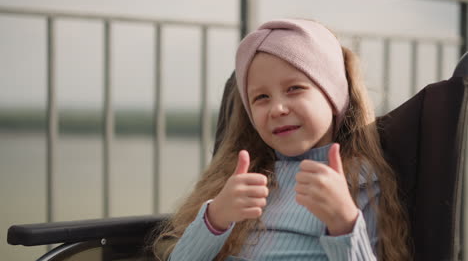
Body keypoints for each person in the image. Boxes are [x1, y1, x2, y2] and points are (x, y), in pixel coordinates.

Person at [152, 18, 411, 261]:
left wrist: (344, 222)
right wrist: (216, 217)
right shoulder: (245, 178)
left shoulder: (359, 179)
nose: (277, 109)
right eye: (261, 97)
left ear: (333, 97)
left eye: (294, 89)